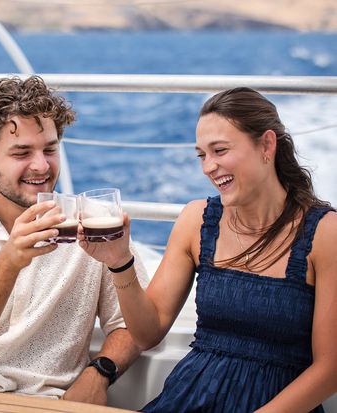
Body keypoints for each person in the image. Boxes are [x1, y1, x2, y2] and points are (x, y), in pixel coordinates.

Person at [77, 87, 337, 412]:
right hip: (188, 399)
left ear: (267, 145)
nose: (208, 167)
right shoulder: (196, 220)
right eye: (202, 155)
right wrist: (119, 261)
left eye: (220, 150)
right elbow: (147, 333)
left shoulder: (325, 233)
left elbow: (330, 369)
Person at [0, 75, 149, 404]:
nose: (41, 165)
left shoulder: (94, 224)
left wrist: (99, 374)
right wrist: (9, 260)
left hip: (44, 402)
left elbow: (132, 325)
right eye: (21, 153)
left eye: (50, 149)